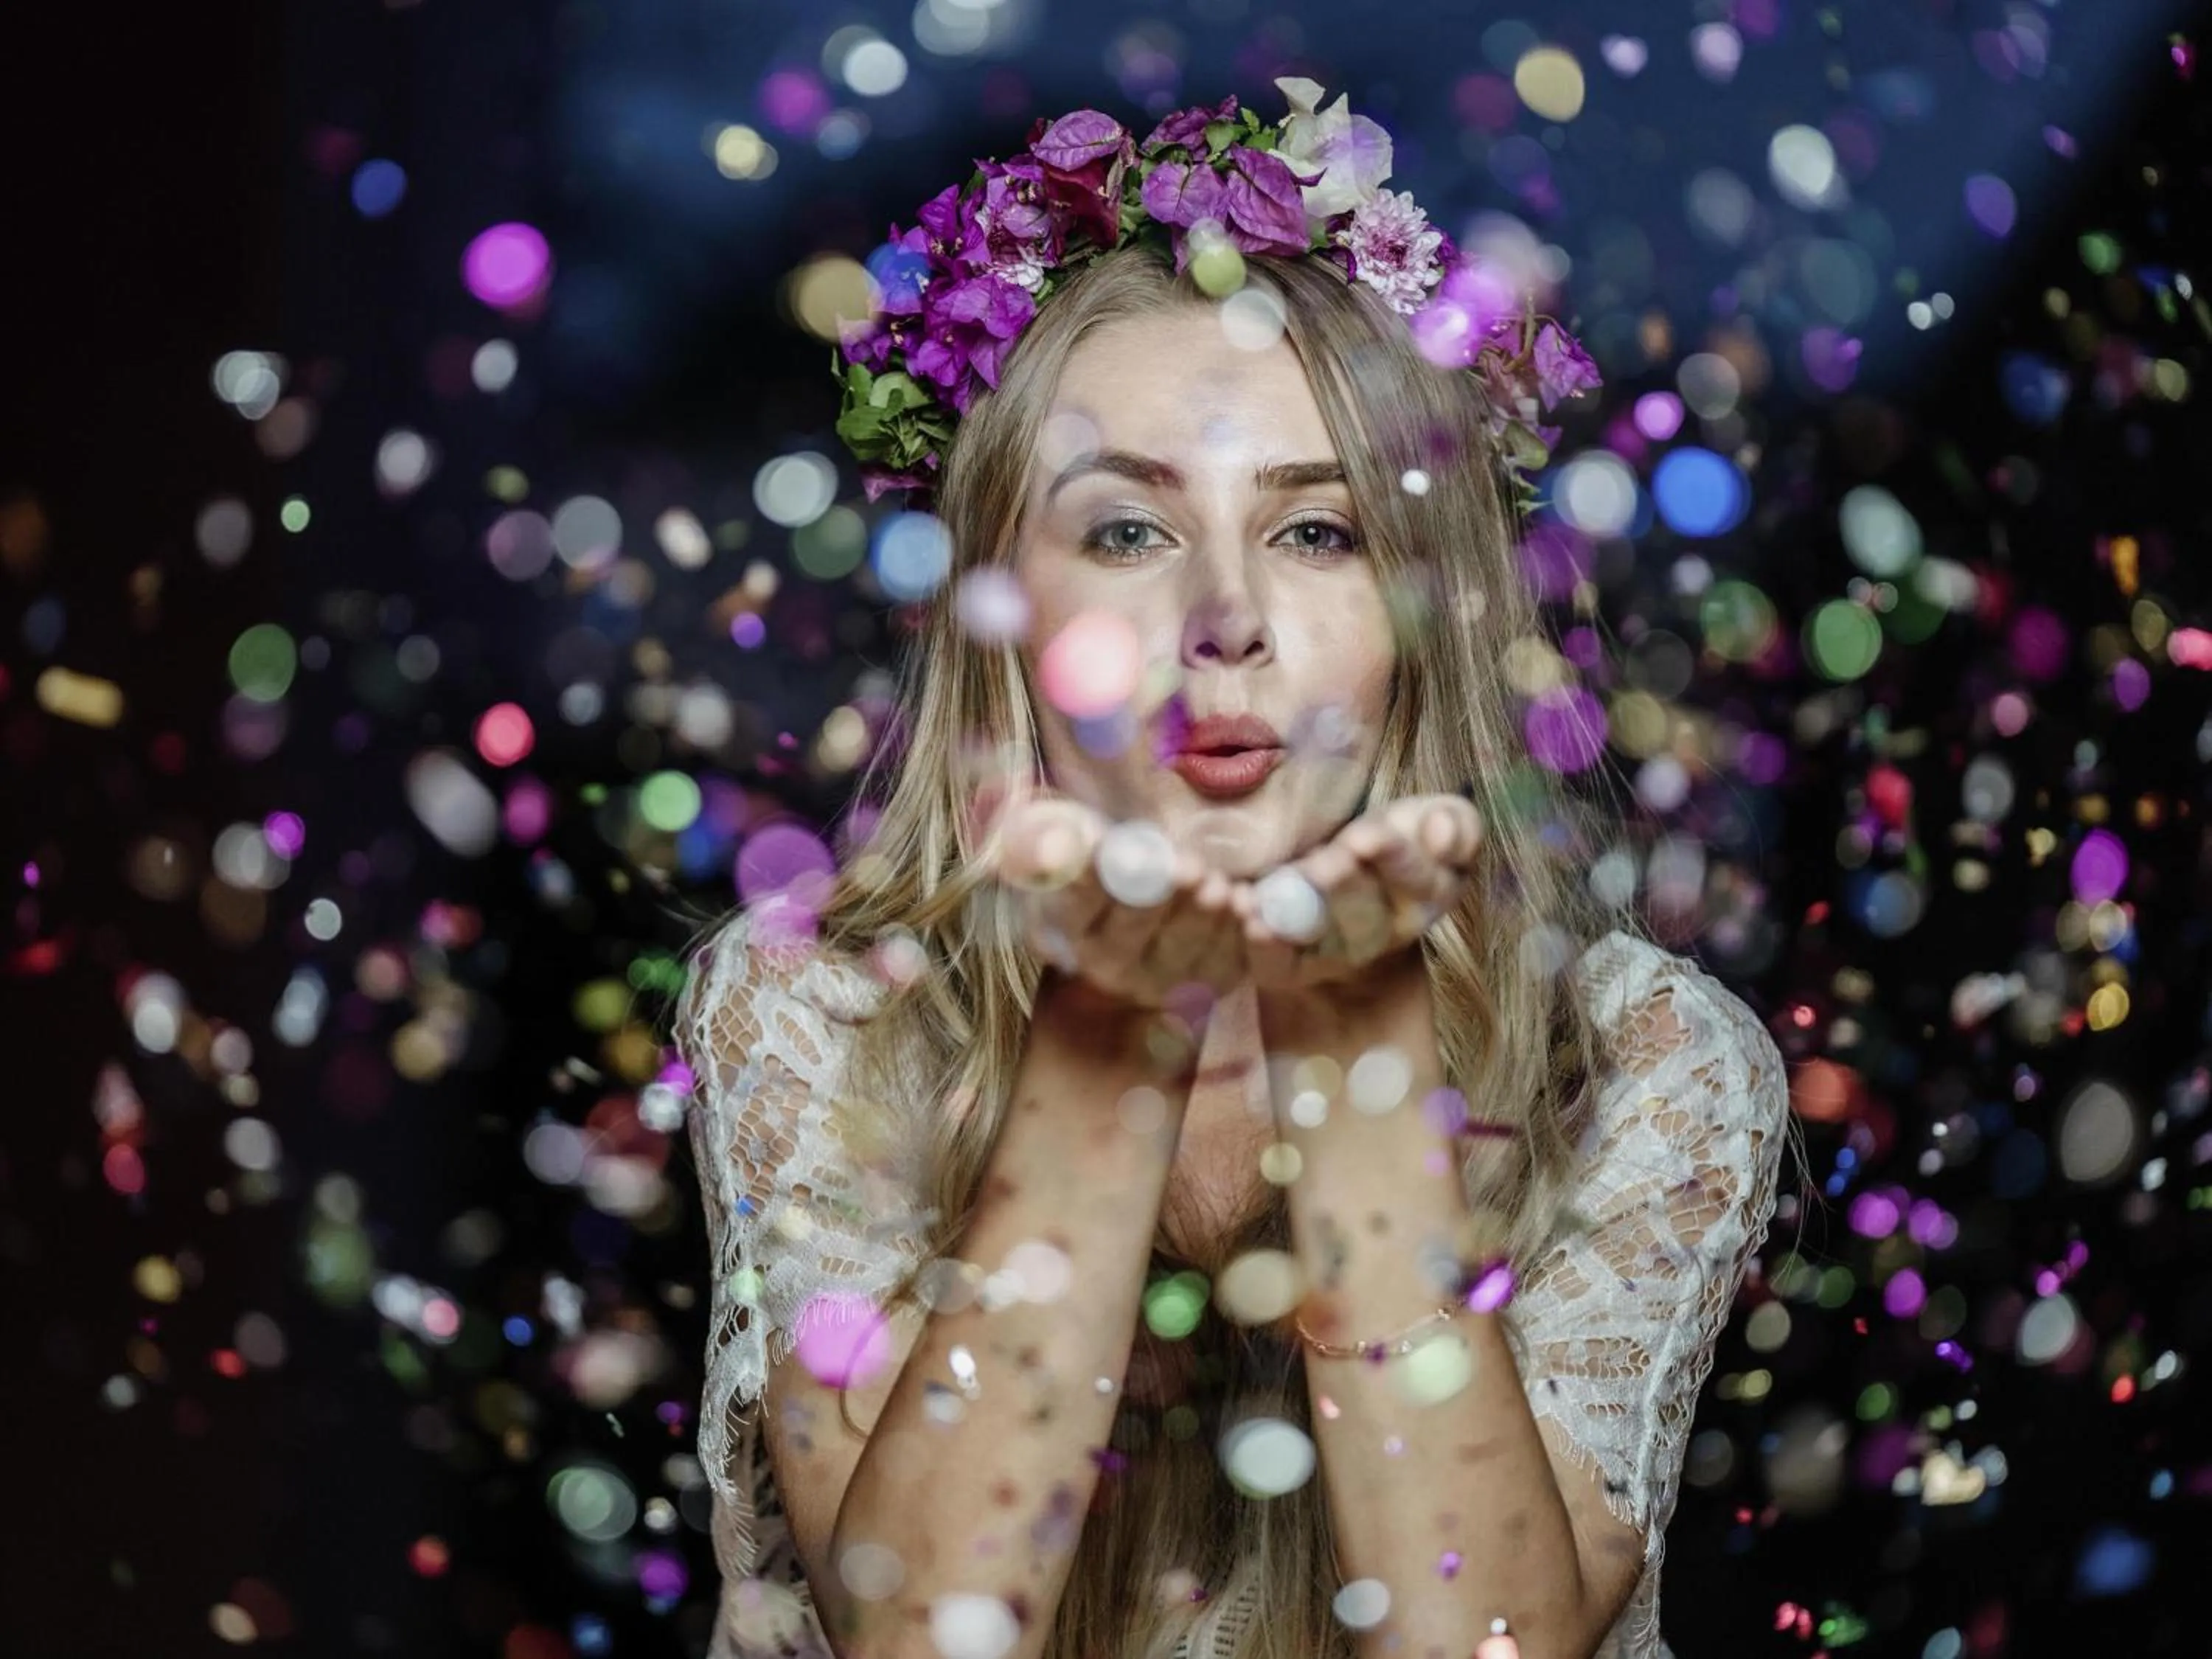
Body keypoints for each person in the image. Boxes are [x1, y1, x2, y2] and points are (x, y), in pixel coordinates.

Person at [674, 80, 1802, 1659]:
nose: (1226, 618)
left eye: (1319, 532)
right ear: (997, 613)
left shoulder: (1641, 1063)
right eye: (1127, 530)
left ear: (1431, 614)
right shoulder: (815, 1011)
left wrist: (1355, 1051)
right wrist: (1103, 1046)